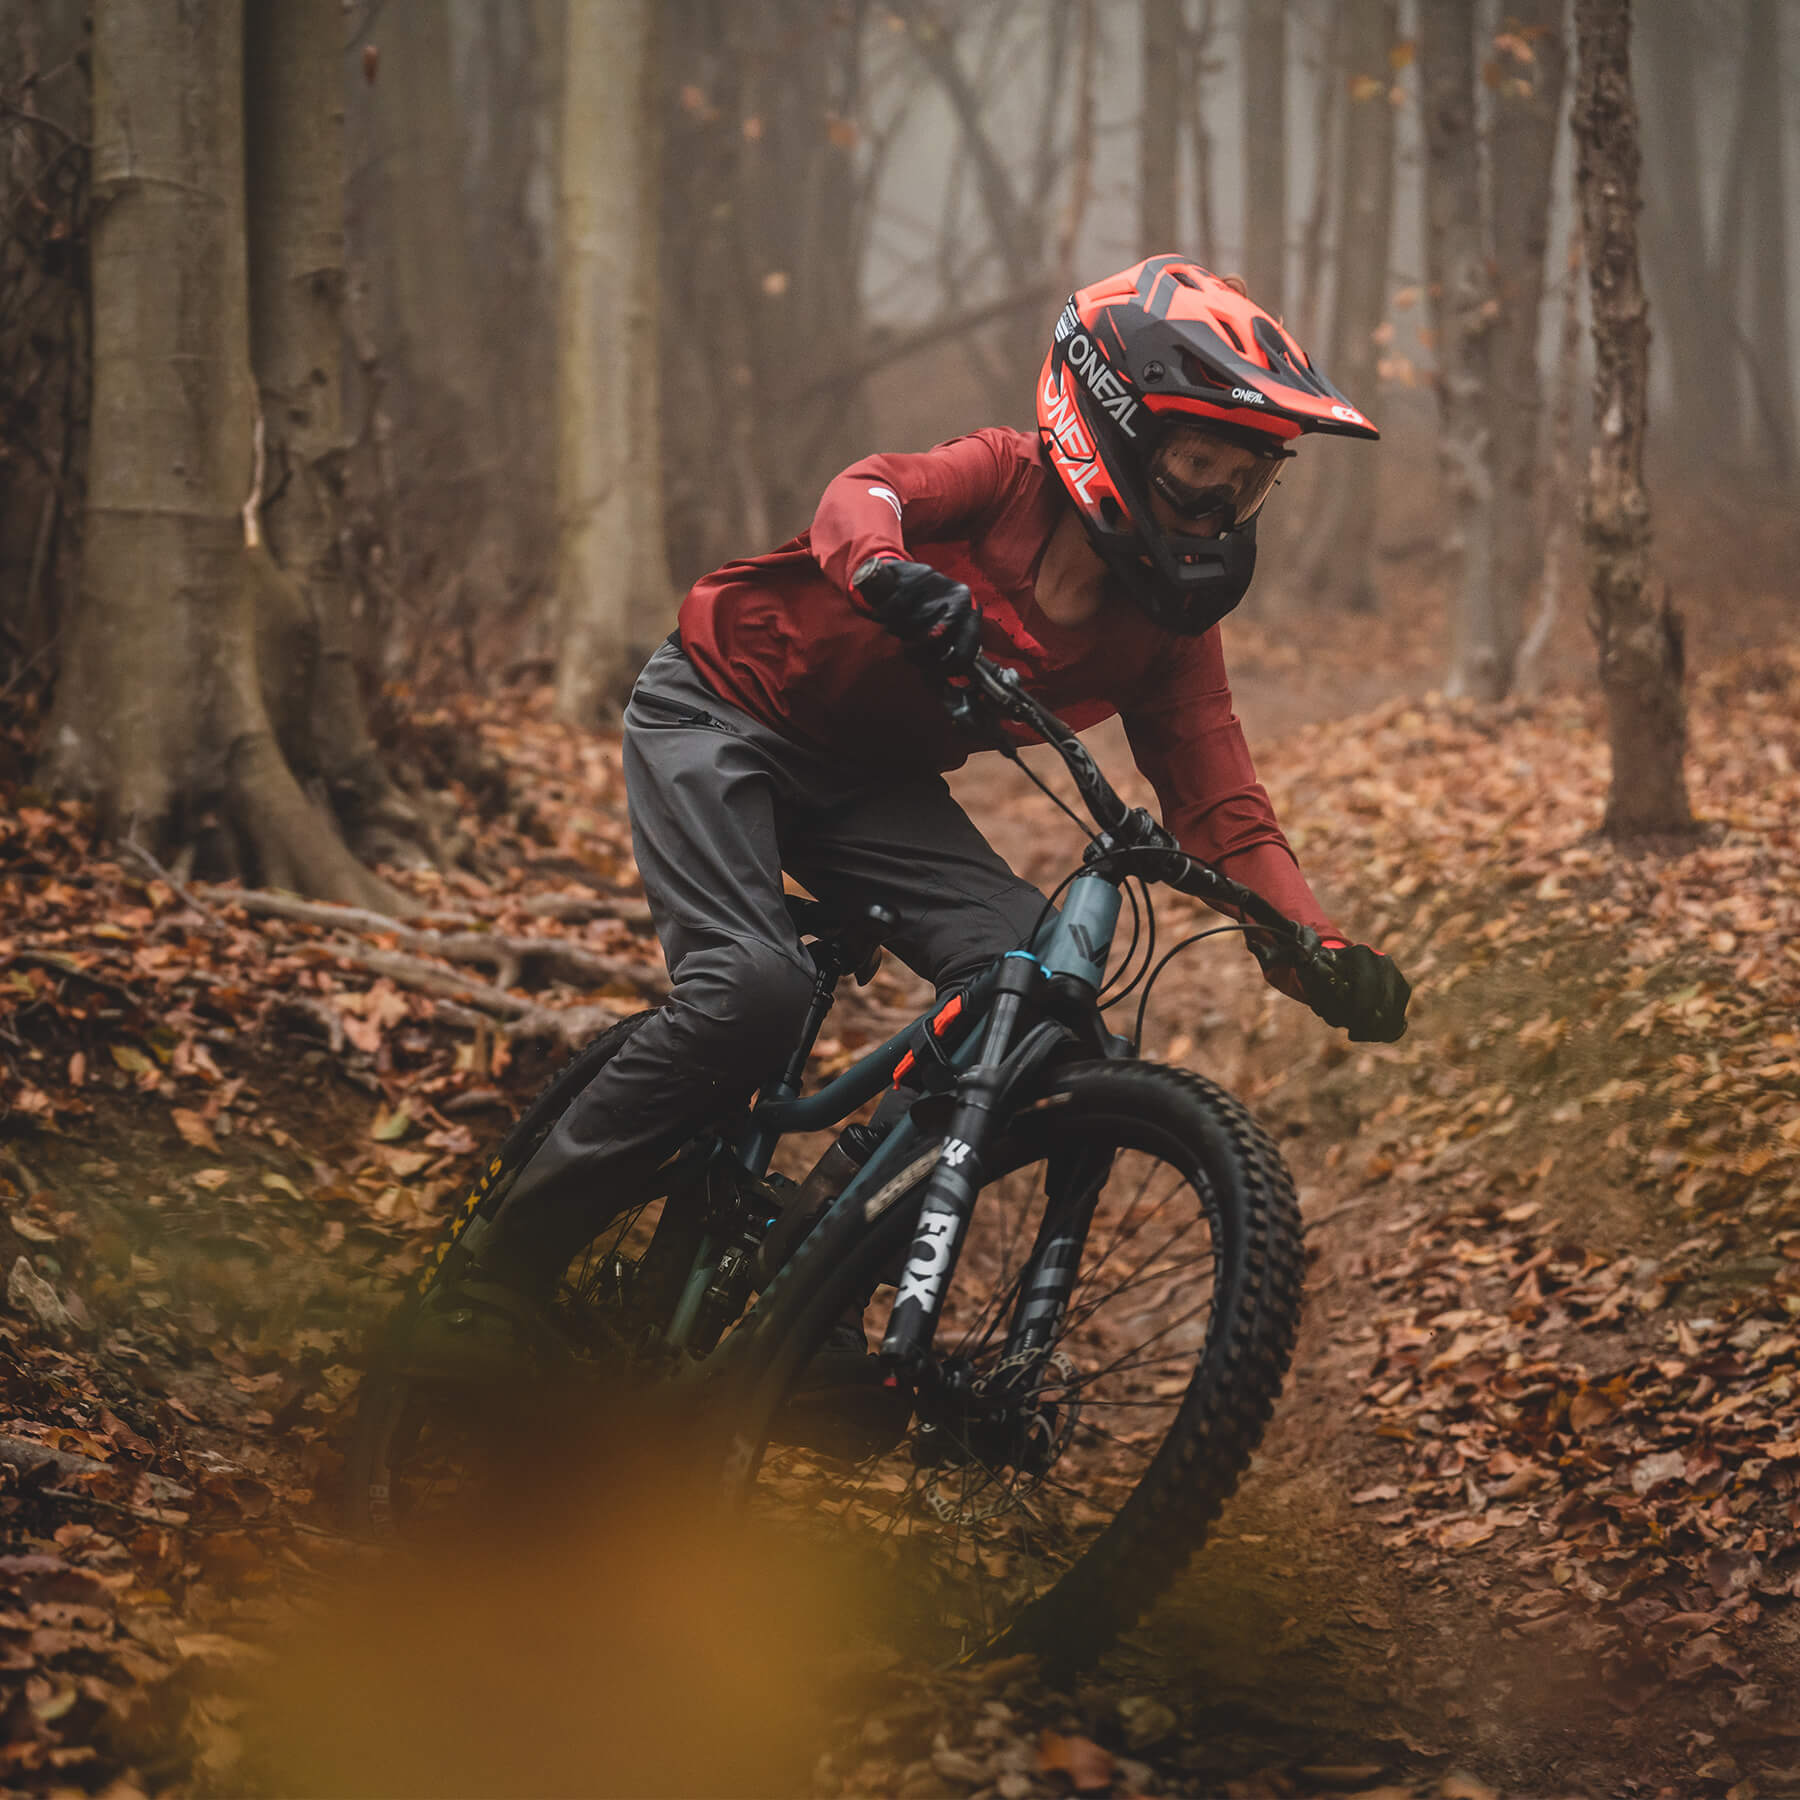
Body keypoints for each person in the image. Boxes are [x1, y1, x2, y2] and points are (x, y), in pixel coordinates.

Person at [432, 256, 1411, 1355]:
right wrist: (888, 571)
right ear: (1111, 427)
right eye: (1199, 467)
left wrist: (1313, 946)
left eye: (1249, 484)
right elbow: (870, 493)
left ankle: (817, 1272)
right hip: (721, 708)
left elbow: (1222, 802)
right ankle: (493, 1268)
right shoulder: (1004, 475)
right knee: (751, 991)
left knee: (1041, 1003)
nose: (1222, 509)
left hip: (869, 786)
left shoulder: (1169, 632)